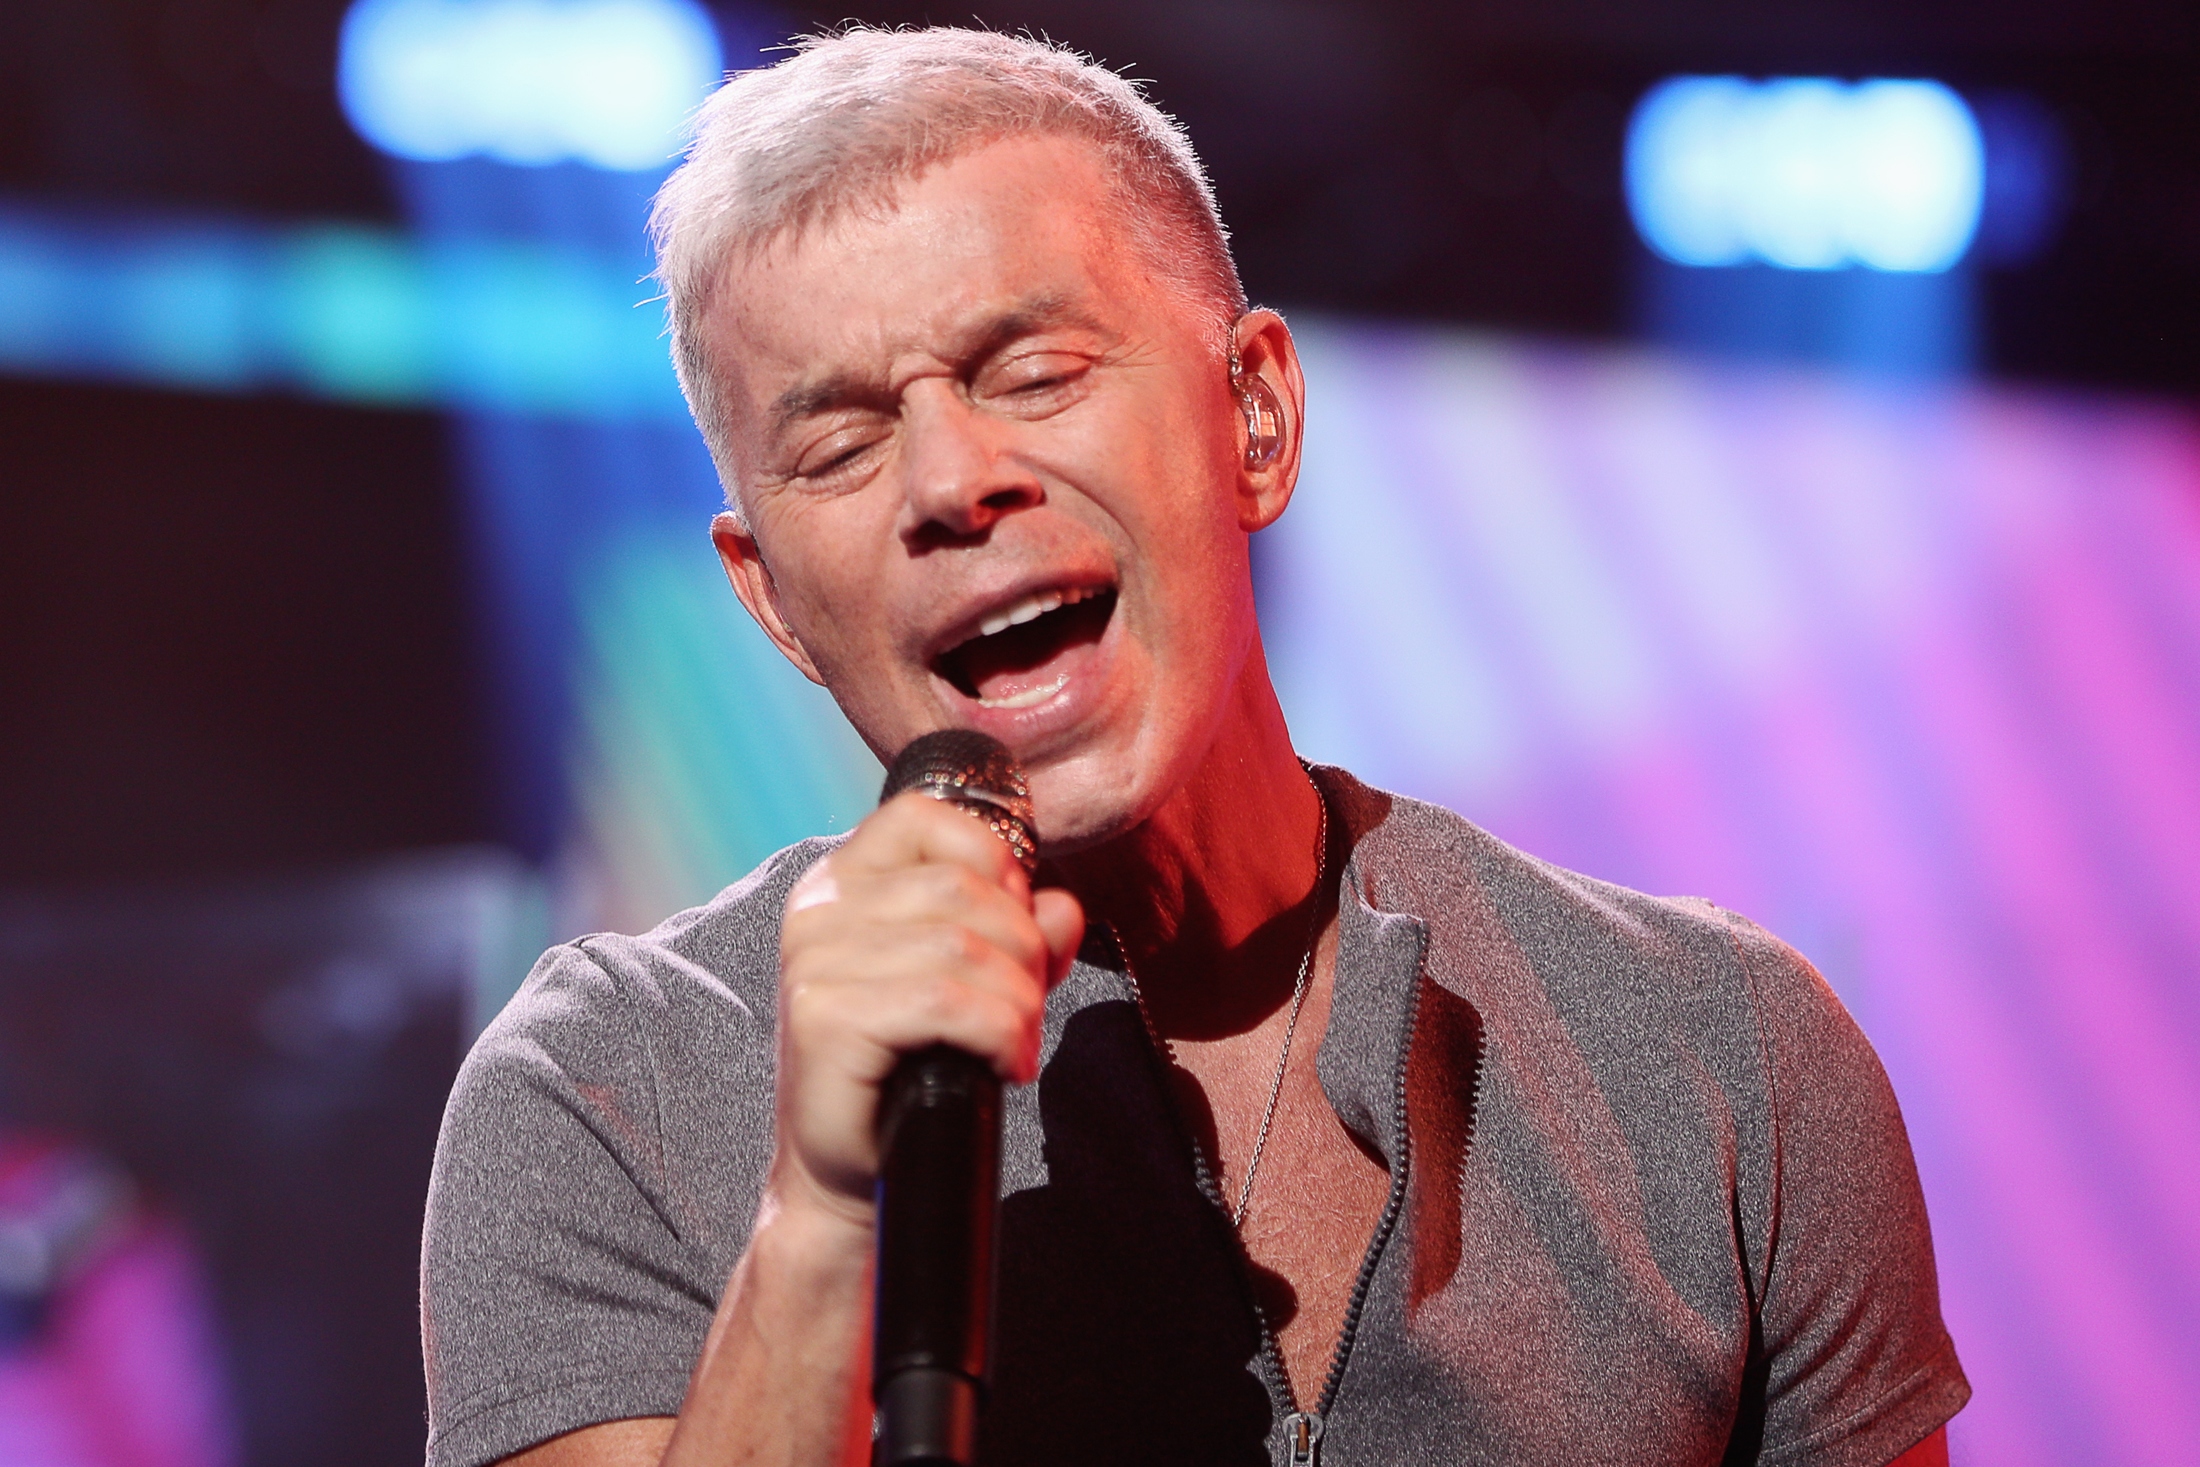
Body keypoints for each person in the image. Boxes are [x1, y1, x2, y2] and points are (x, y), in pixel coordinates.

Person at [419, 27, 1969, 1467]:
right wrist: (825, 1213)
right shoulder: (611, 1090)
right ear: (772, 602)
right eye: (839, 446)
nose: (951, 482)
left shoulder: (1722, 1055)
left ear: (1258, 417)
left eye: (1036, 374)